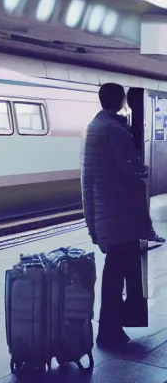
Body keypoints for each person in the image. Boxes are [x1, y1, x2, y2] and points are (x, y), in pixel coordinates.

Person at [81, 83, 151, 348]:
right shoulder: (113, 129)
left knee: (118, 273)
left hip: (106, 213)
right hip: (120, 215)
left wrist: (92, 225)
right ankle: (110, 330)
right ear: (121, 99)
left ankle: (115, 326)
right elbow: (133, 167)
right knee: (118, 275)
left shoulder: (95, 126)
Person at [125, 88, 165, 247]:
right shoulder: (129, 125)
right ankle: (145, 232)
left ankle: (144, 233)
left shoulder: (126, 123)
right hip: (134, 174)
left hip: (131, 175)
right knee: (139, 204)